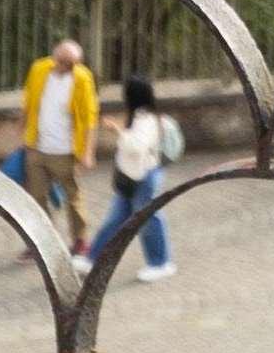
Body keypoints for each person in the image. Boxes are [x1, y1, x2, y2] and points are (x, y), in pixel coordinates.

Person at [85, 76, 177, 281]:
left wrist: (117, 130)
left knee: (149, 220)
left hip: (144, 178)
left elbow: (136, 147)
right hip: (131, 177)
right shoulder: (138, 116)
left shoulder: (147, 119)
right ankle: (93, 258)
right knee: (116, 220)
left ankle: (161, 263)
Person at [21, 32, 99, 239]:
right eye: (63, 61)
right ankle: (45, 240)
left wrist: (88, 153)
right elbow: (28, 102)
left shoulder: (82, 79)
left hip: (65, 151)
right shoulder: (39, 69)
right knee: (36, 197)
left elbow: (89, 118)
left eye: (72, 64)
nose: (66, 67)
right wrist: (24, 135)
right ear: (55, 56)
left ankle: (80, 240)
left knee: (73, 199)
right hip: (37, 147)